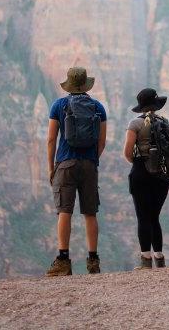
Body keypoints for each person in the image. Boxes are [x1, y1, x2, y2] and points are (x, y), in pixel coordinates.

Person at [46, 67, 107, 276]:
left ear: (69, 84)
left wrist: (51, 167)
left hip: (65, 163)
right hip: (89, 164)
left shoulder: (59, 105)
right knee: (90, 213)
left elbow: (51, 139)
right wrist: (92, 161)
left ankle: (63, 260)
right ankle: (93, 261)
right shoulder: (98, 107)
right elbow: (102, 141)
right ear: (86, 83)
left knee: (64, 211)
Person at [123, 88, 169, 270]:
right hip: (161, 175)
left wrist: (139, 164)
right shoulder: (164, 122)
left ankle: (145, 260)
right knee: (154, 217)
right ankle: (160, 257)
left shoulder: (135, 123)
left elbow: (127, 152)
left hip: (141, 173)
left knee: (143, 216)